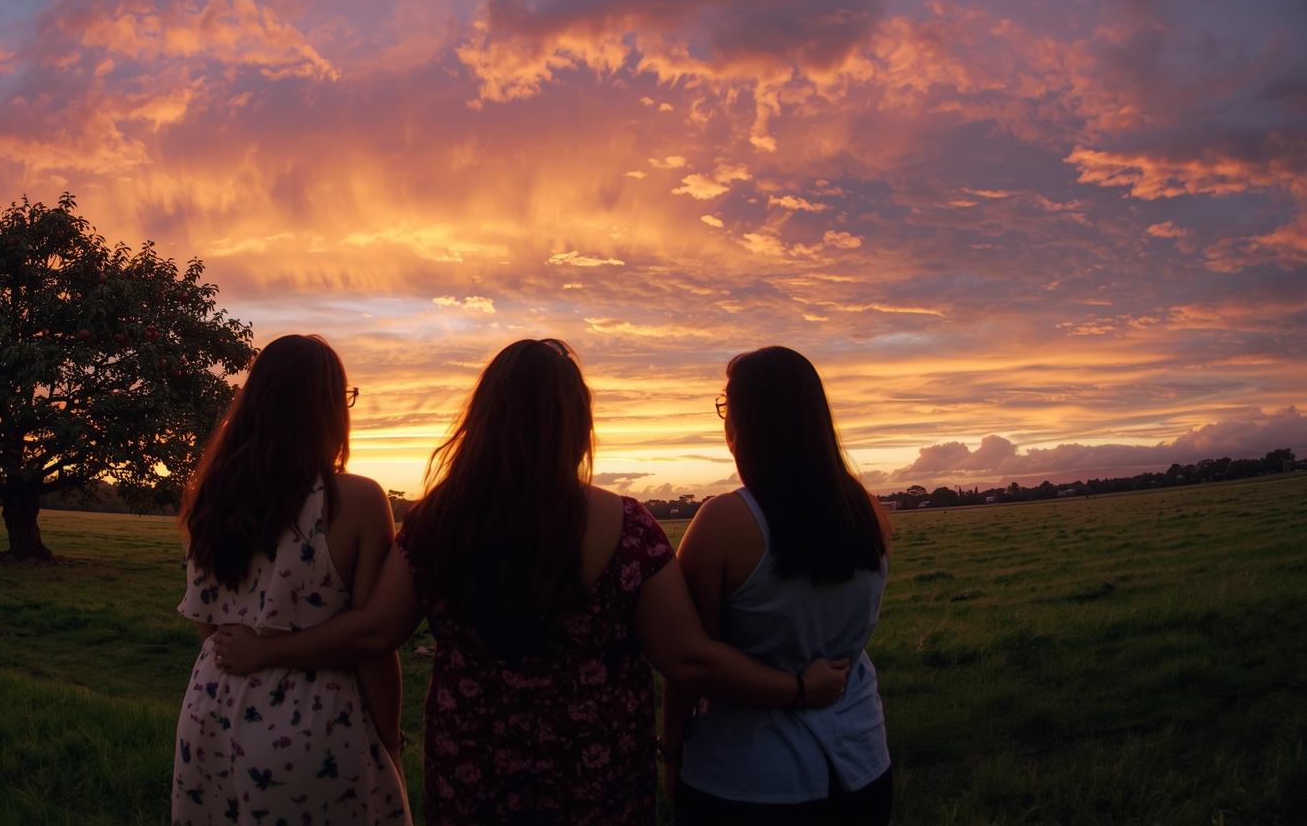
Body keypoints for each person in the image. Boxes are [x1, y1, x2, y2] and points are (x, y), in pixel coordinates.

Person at [210, 338, 852, 825]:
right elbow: (685, 656)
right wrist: (792, 687)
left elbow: (377, 630)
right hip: (595, 778)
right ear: (577, 424)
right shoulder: (628, 526)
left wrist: (269, 648)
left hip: (474, 771)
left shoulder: (438, 523)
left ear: (483, 422)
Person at [172, 334, 411, 826]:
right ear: (329, 408)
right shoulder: (357, 501)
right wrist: (390, 738)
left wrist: (257, 648)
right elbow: (371, 641)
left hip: (211, 710)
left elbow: (209, 627)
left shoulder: (210, 497)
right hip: (316, 721)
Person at [662, 346, 894, 825]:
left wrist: (670, 753)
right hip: (862, 764)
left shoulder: (725, 521)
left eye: (727, 404)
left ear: (744, 422)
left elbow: (691, 664)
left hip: (745, 779)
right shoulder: (869, 510)